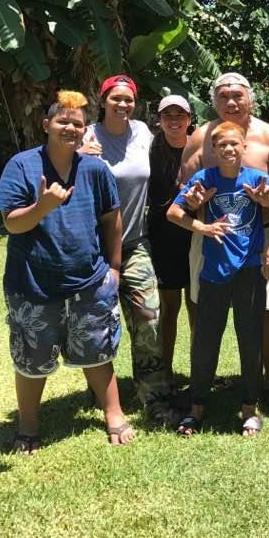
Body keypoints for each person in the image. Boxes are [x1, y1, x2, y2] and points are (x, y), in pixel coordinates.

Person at [0, 90, 133, 452]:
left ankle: (113, 414)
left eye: (78, 123)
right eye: (63, 121)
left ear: (86, 131)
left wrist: (114, 268)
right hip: (34, 283)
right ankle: (28, 426)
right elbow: (12, 224)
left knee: (97, 350)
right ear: (47, 125)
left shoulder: (95, 170)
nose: (70, 127)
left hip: (89, 279)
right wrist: (43, 205)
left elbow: (111, 219)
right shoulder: (22, 166)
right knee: (32, 358)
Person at [168, 122, 269, 435]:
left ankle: (249, 408)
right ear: (214, 149)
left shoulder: (257, 179)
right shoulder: (204, 178)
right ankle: (197, 407)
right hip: (214, 272)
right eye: (222, 145)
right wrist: (202, 228)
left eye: (234, 144)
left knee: (250, 338)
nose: (228, 149)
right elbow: (173, 212)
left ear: (244, 148)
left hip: (250, 270)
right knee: (205, 340)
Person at [179, 72, 269, 401]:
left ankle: (267, 380)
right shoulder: (201, 136)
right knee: (203, 307)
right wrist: (195, 203)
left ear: (250, 99)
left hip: (260, 237)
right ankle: (203, 381)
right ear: (214, 100)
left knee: (265, 310)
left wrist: (268, 198)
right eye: (224, 95)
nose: (231, 101)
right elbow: (185, 185)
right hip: (211, 237)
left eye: (237, 95)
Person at [80, 74, 168, 423]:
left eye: (128, 99)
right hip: (93, 249)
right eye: (115, 98)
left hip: (135, 243)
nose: (122, 104)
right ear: (102, 101)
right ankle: (103, 393)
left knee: (149, 316)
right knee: (97, 320)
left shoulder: (143, 134)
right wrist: (79, 157)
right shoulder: (85, 136)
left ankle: (154, 395)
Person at [147, 95, 194, 385]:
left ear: (190, 119)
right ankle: (165, 370)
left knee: (197, 306)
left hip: (196, 232)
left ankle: (200, 369)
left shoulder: (200, 146)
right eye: (168, 115)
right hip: (162, 234)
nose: (174, 120)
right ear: (160, 119)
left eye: (180, 115)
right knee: (169, 308)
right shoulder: (149, 148)